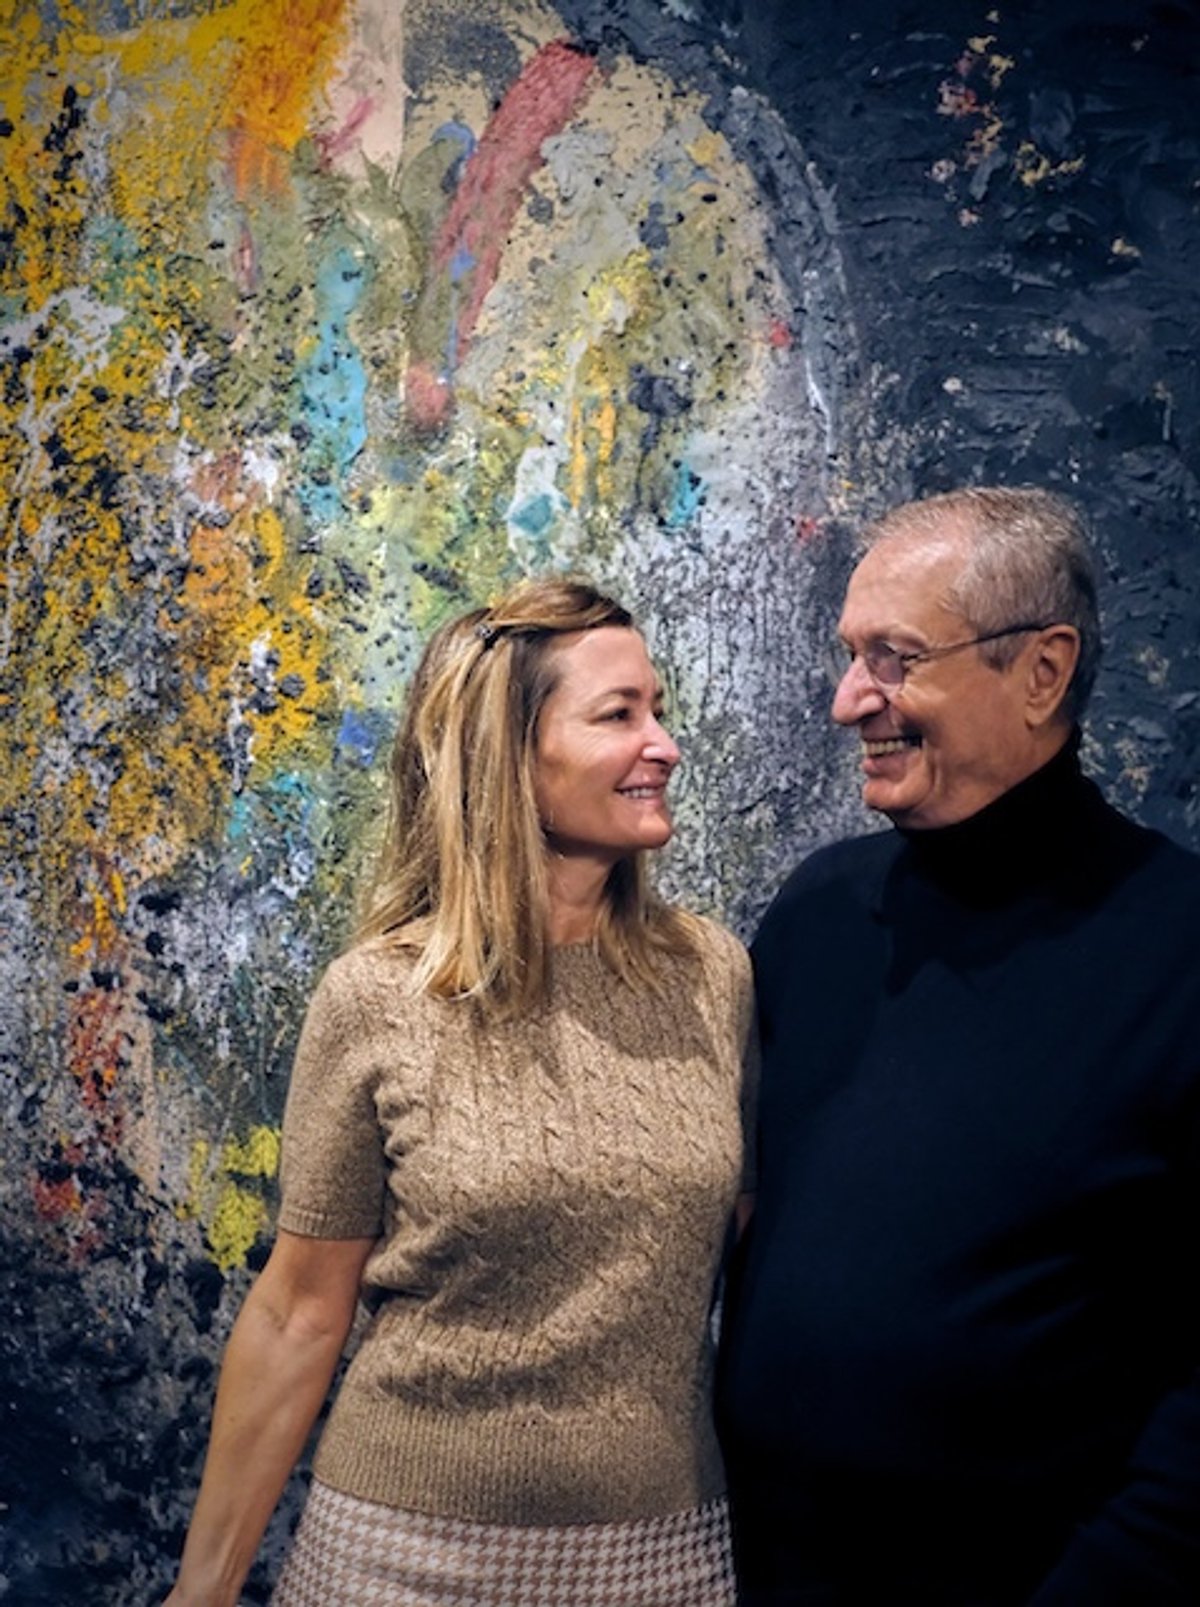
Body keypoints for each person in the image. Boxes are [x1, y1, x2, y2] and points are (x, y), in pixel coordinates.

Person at [166, 577, 755, 1607]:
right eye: (619, 715)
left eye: (658, 710)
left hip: (664, 1558)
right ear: (509, 757)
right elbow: (300, 1313)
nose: (662, 743)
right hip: (401, 1561)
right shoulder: (377, 998)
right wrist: (201, 1591)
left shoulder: (714, 977)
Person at [718, 486, 1200, 1605]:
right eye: (850, 655)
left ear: (1041, 672)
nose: (849, 701)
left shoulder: (1180, 950)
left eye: (894, 658)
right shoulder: (817, 915)